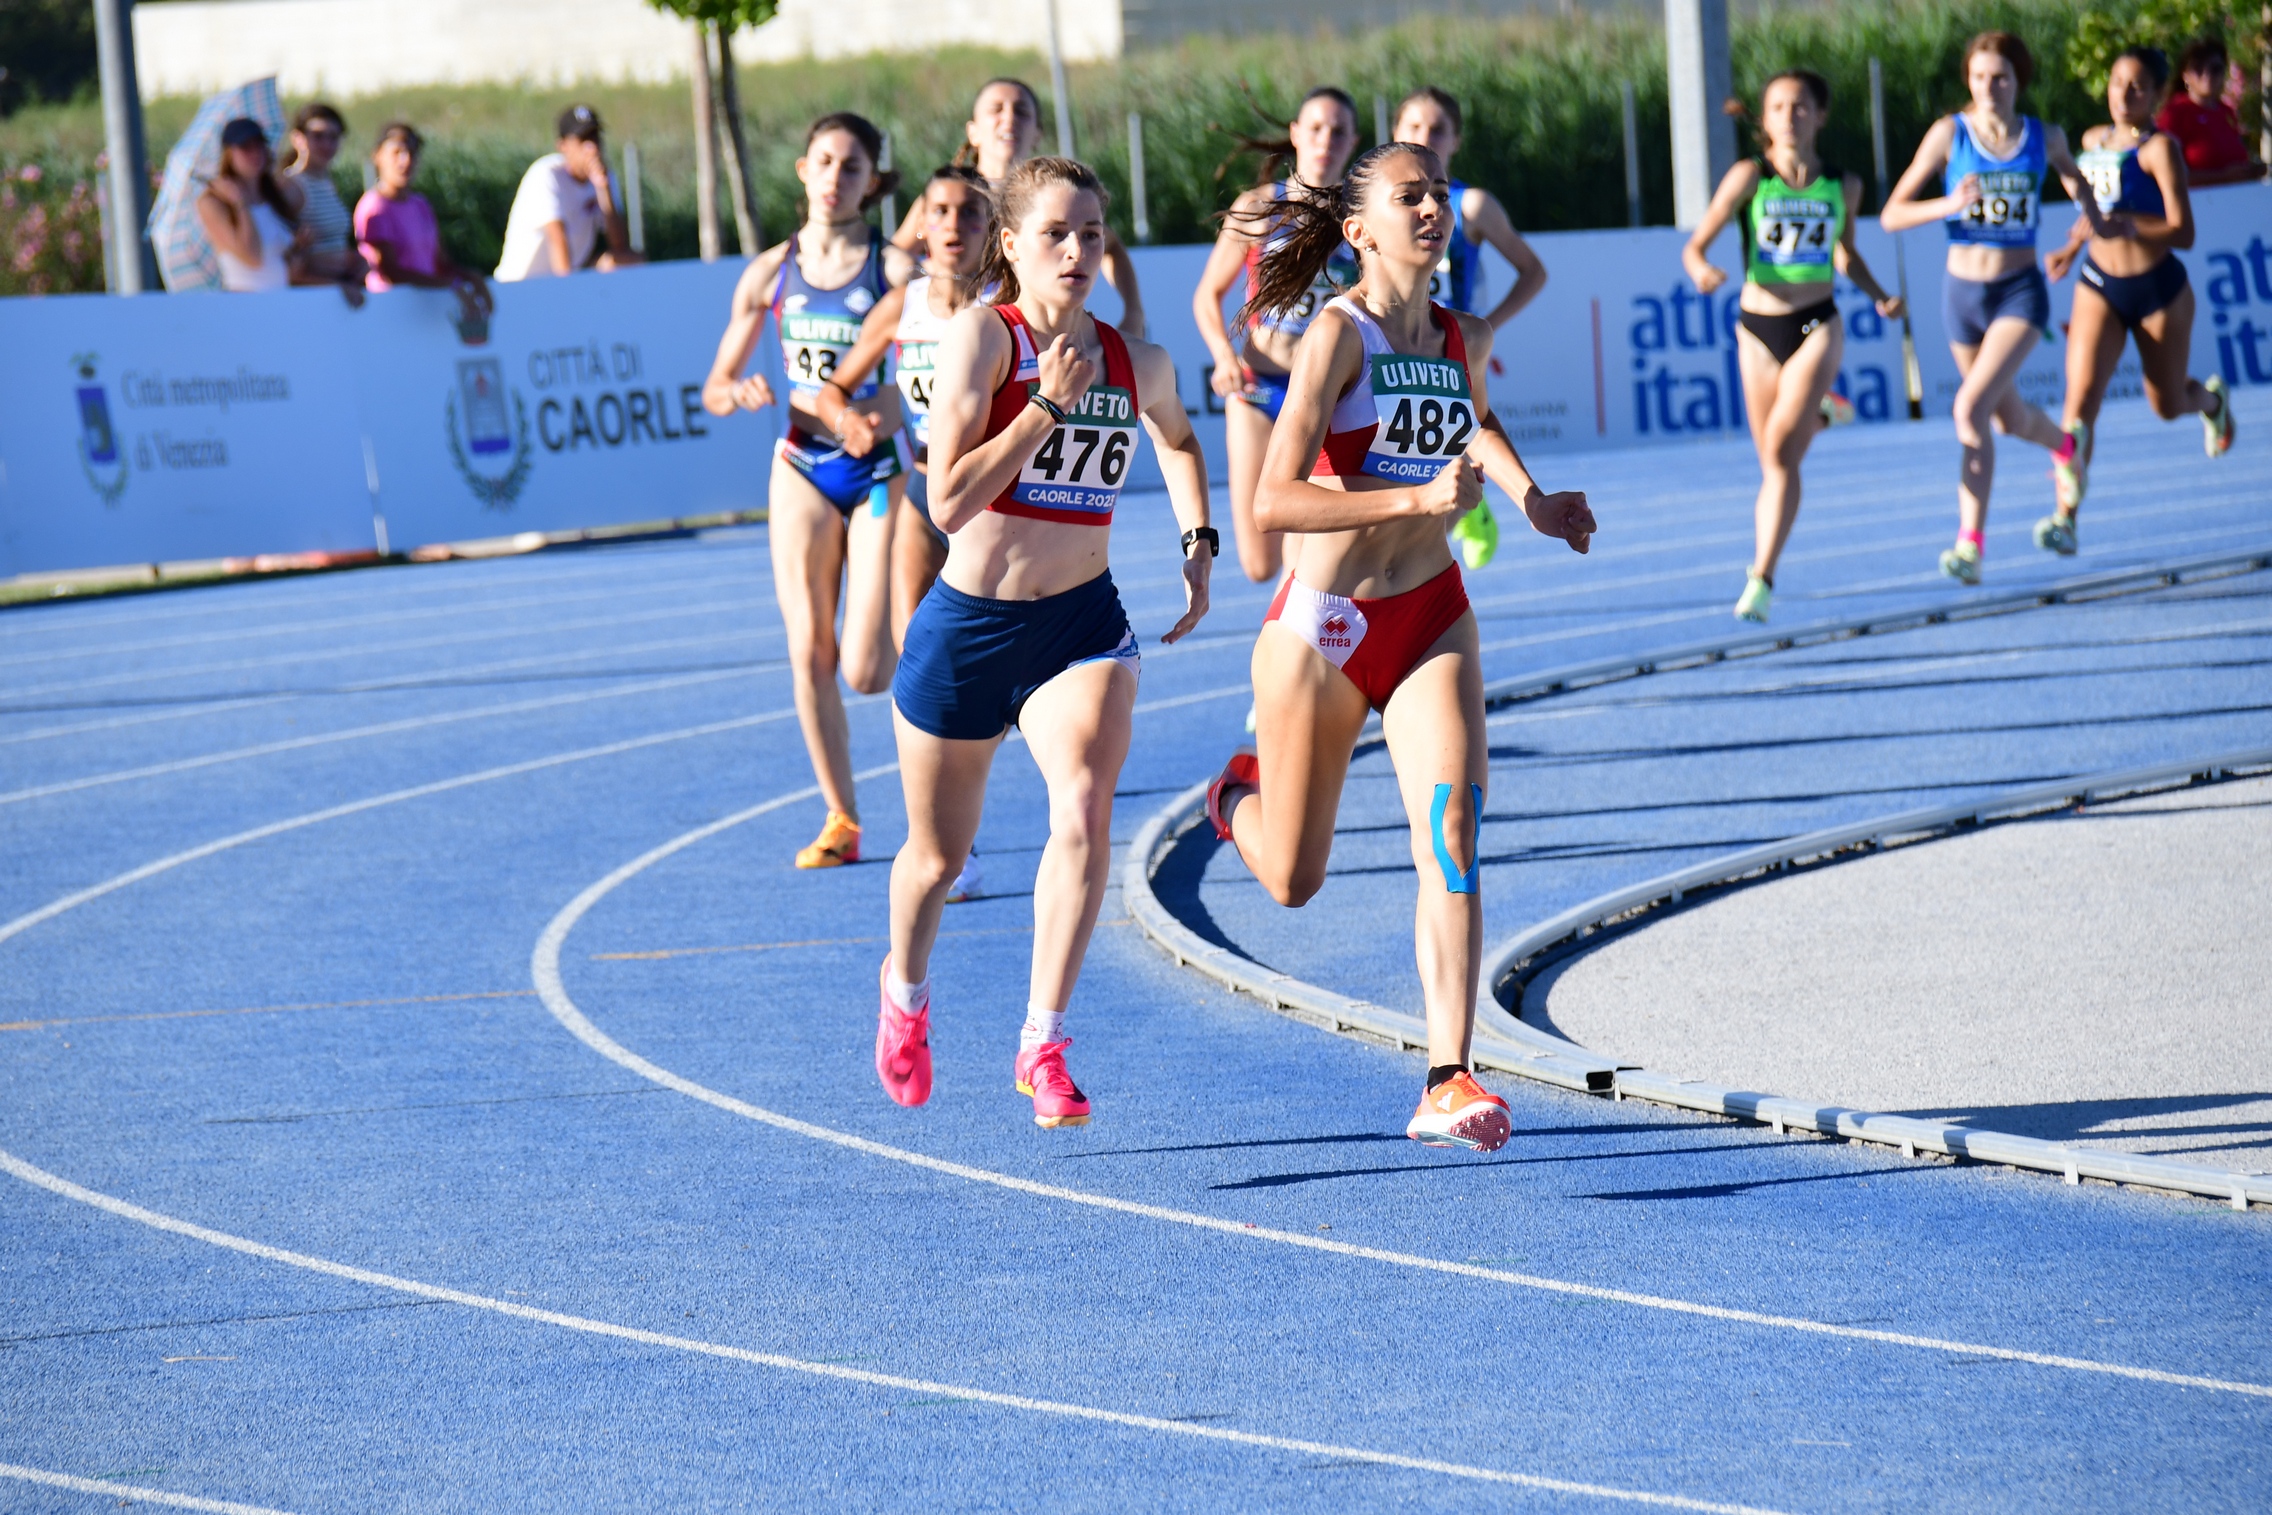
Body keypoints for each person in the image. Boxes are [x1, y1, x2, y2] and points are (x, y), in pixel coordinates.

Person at [1201, 142, 1596, 1152]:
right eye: (1408, 196)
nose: (1432, 208)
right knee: (1293, 881)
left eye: (1439, 194)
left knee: (1454, 827)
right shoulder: (1337, 336)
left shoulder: (1462, 333)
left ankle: (1446, 1075)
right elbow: (1272, 498)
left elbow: (1478, 423)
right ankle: (1233, 799)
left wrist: (1533, 500)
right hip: (1324, 630)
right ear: (1359, 229)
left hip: (1429, 615)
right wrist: (1414, 497)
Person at [876, 157, 1214, 1129]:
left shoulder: (1138, 361)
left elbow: (1179, 439)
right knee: (935, 861)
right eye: (1056, 233)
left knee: (1084, 810)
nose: (1076, 251)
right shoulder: (984, 337)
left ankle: (1044, 1041)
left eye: (1091, 233)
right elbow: (946, 499)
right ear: (1012, 245)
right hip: (968, 629)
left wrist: (1197, 541)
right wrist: (1045, 408)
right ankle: (904, 990)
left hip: (1080, 627)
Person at [703, 113, 917, 871]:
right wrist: (739, 391)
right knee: (807, 651)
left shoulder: (896, 272)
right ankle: (842, 818)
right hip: (800, 464)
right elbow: (715, 385)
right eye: (823, 162)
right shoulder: (770, 273)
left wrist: (888, 410)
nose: (834, 178)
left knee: (866, 667)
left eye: (851, 167)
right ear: (802, 170)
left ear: (872, 182)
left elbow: (934, 373)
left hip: (878, 472)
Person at [810, 163, 994, 903]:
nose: (952, 226)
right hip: (921, 493)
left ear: (992, 230)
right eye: (939, 211)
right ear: (922, 224)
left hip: (993, 503)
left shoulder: (1007, 303)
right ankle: (950, 839)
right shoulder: (903, 305)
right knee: (918, 659)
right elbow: (831, 390)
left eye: (970, 214)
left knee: (988, 671)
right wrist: (848, 421)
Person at [1881, 30, 2110, 585]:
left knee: (1968, 411)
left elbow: (2076, 179)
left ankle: (1970, 545)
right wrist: (1948, 204)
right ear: (1969, 80)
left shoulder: (2044, 136)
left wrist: (2095, 221)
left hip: (2018, 294)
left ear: (2017, 81)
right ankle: (2066, 446)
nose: (1989, 88)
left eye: (2000, 78)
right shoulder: (1949, 134)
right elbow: (1892, 214)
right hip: (1961, 297)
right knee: (2004, 420)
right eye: (1979, 77)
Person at [1682, 71, 1902, 622]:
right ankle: (1821, 416)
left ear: (1820, 115)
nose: (1789, 116)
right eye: (1778, 106)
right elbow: (1696, 244)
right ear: (1765, 117)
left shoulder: (1843, 185)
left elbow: (1844, 252)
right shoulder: (1750, 177)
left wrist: (1879, 295)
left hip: (1816, 323)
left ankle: (1761, 577)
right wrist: (1702, 269)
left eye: (1801, 106)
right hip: (1757, 328)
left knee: (1781, 453)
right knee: (1774, 464)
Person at [2038, 46, 2235, 556]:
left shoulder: (2159, 150)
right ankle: (2065, 518)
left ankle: (2212, 402)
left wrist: (2132, 225)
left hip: (2158, 290)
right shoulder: (2091, 141)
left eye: (2137, 87)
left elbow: (2184, 232)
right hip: (2099, 284)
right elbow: (2095, 210)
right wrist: (2071, 248)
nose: (2123, 95)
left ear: (2157, 95)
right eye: (2116, 83)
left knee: (2167, 405)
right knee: (2079, 405)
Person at [1193, 86, 1362, 586]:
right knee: (1259, 564)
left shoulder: (1360, 216)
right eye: (1316, 128)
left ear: (1353, 141)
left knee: (1302, 555)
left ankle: (1295, 633)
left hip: (1325, 397)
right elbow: (1207, 295)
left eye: (1338, 131)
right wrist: (1223, 356)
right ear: (1295, 134)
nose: (1326, 140)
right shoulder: (1260, 207)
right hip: (1259, 390)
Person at [890, 79, 1146, 338]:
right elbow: (894, 255)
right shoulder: (946, 194)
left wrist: (1134, 313)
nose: (1009, 118)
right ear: (973, 131)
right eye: (996, 109)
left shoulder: (1049, 197)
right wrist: (921, 272)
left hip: (1029, 337)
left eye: (1021, 112)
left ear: (1037, 133)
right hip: (956, 332)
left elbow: (1110, 244)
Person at [353, 123, 494, 333]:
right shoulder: (375, 207)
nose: (406, 161)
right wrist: (450, 285)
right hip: (390, 315)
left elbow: (439, 262)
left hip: (424, 313)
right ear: (377, 156)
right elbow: (391, 272)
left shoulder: (420, 204)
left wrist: (470, 277)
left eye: (412, 153)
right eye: (397, 152)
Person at [495, 104, 642, 282]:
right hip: (519, 287)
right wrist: (567, 291)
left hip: (562, 280)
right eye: (583, 140)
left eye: (595, 137)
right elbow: (557, 241)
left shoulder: (605, 177)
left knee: (630, 262)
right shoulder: (546, 174)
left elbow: (620, 245)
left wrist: (603, 189)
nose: (592, 148)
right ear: (562, 145)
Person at [198, 117, 302, 294]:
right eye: (245, 147)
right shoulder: (212, 203)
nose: (256, 153)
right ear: (228, 154)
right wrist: (240, 202)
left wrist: (299, 249)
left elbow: (281, 263)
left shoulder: (272, 195)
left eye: (259, 145)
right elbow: (252, 257)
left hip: (280, 300)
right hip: (245, 302)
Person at [282, 102, 364, 299]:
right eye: (318, 136)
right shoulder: (291, 187)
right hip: (311, 297)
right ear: (298, 138)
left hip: (336, 291)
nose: (327, 144)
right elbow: (287, 260)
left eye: (333, 137)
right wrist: (337, 285)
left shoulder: (327, 182)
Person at [2156, 38, 2264, 187]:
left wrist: (2250, 171)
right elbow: (2165, 174)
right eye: (2198, 68)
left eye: (2215, 69)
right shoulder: (2174, 114)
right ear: (2185, 75)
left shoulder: (2226, 112)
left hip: (2234, 196)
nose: (2207, 75)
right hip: (2195, 199)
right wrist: (2222, 177)